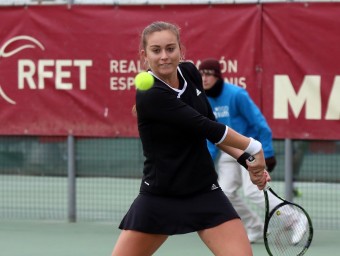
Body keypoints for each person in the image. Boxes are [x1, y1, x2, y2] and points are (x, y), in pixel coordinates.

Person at [112, 21, 269, 256]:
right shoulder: (149, 94)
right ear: (144, 55)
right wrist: (254, 148)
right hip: (160, 196)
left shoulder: (190, 72)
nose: (164, 56)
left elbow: (213, 128)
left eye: (170, 48)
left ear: (180, 50)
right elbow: (206, 127)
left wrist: (245, 159)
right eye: (156, 51)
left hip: (203, 191)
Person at [199, 58, 307, 244]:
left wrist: (267, 152)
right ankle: (255, 228)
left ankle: (295, 218)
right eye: (201, 74)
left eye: (209, 74)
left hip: (250, 149)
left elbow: (260, 124)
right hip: (227, 152)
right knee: (224, 193)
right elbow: (211, 135)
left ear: (218, 76)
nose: (204, 78)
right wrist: (206, 161)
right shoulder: (204, 100)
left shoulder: (236, 94)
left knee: (253, 191)